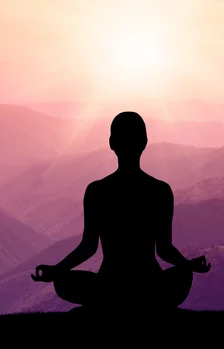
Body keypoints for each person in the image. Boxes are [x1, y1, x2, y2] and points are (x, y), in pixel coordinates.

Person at [31, 111, 211, 311]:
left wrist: (58, 270)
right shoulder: (159, 191)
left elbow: (88, 247)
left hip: (108, 284)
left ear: (111, 143)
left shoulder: (97, 191)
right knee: (181, 276)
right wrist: (188, 265)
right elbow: (164, 248)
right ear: (144, 142)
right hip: (150, 285)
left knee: (66, 282)